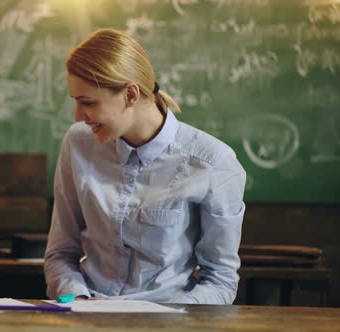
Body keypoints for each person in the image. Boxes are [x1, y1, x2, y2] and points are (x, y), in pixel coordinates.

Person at [44, 28, 246, 304]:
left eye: (87, 103)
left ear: (130, 94)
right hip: (86, 316)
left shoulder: (214, 163)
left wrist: (163, 316)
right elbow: (60, 254)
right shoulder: (78, 143)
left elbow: (220, 281)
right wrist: (77, 300)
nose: (79, 116)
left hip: (169, 320)